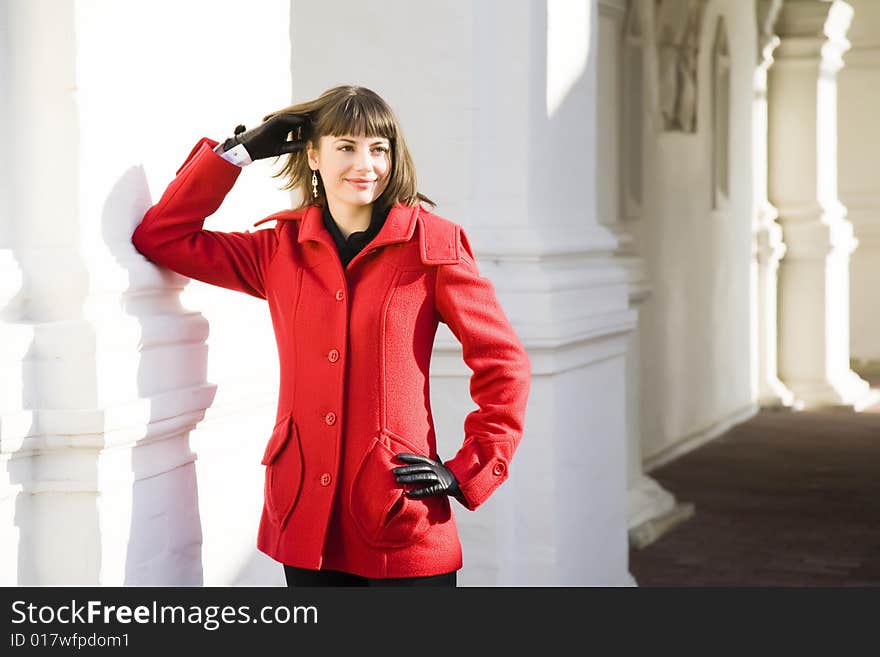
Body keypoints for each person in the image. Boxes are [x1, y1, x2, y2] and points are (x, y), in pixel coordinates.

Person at [131, 85, 531, 587]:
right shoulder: (278, 250)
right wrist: (239, 154)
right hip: (303, 513)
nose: (366, 164)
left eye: (378, 148)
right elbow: (162, 236)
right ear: (313, 155)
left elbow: (503, 363)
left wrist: (471, 468)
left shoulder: (433, 247)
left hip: (398, 513)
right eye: (346, 146)